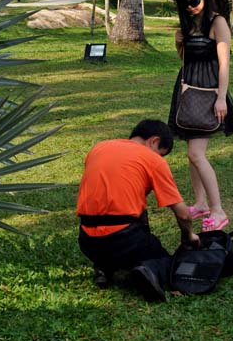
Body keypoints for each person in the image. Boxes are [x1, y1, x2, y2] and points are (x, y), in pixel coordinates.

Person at [77, 119, 199, 301]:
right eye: (161, 153)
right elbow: (182, 213)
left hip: (87, 241)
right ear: (154, 141)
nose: (160, 158)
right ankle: (148, 270)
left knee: (131, 220)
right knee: (166, 261)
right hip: (124, 240)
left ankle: (104, 266)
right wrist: (188, 235)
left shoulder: (98, 148)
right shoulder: (153, 160)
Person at [168, 0, 233, 233]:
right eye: (185, 3)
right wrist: (180, 43)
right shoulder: (189, 25)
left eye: (194, 1)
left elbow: (224, 64)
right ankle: (200, 203)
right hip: (188, 89)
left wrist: (221, 97)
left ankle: (218, 210)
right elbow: (187, 60)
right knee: (191, 152)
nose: (191, 7)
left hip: (208, 92)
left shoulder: (217, 23)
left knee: (196, 154)